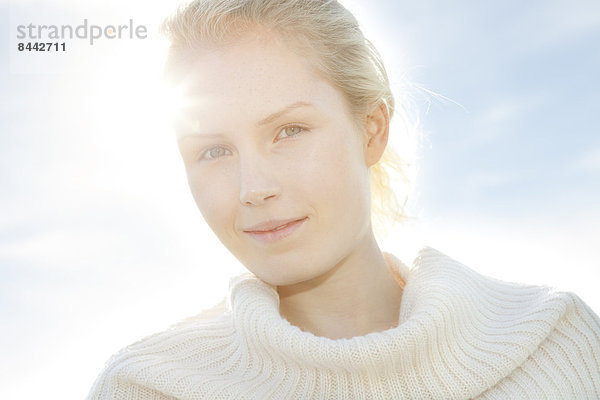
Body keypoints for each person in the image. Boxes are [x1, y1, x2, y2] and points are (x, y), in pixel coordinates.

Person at [87, 0, 600, 398]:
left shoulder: (556, 343)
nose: (253, 187)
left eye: (289, 130)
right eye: (213, 150)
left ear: (372, 130)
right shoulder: (147, 388)